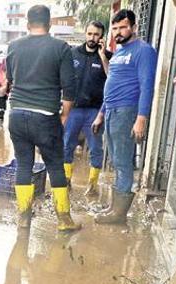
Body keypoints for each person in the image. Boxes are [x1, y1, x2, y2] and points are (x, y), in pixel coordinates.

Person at [6, 5, 80, 232]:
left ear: (28, 24)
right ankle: (64, 219)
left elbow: (10, 78)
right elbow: (69, 88)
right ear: (49, 24)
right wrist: (65, 115)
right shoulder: (61, 48)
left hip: (16, 114)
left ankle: (23, 217)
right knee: (55, 166)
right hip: (46, 116)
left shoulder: (14, 46)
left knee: (24, 164)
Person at [91, 9, 158, 224]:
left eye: (123, 27)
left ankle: (118, 214)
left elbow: (147, 86)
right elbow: (113, 85)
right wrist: (101, 113)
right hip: (111, 111)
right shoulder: (119, 52)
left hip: (127, 111)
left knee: (122, 161)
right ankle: (114, 207)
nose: (118, 32)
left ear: (134, 27)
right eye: (115, 29)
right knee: (116, 159)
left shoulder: (143, 51)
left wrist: (141, 118)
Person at [63, 21, 112, 196]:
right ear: (85, 34)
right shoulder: (72, 53)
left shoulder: (107, 56)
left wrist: (103, 56)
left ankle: (92, 186)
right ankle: (66, 181)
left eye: (96, 34)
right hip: (74, 109)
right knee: (66, 145)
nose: (92, 38)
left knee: (96, 148)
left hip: (95, 112)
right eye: (90, 34)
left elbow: (112, 79)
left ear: (102, 37)